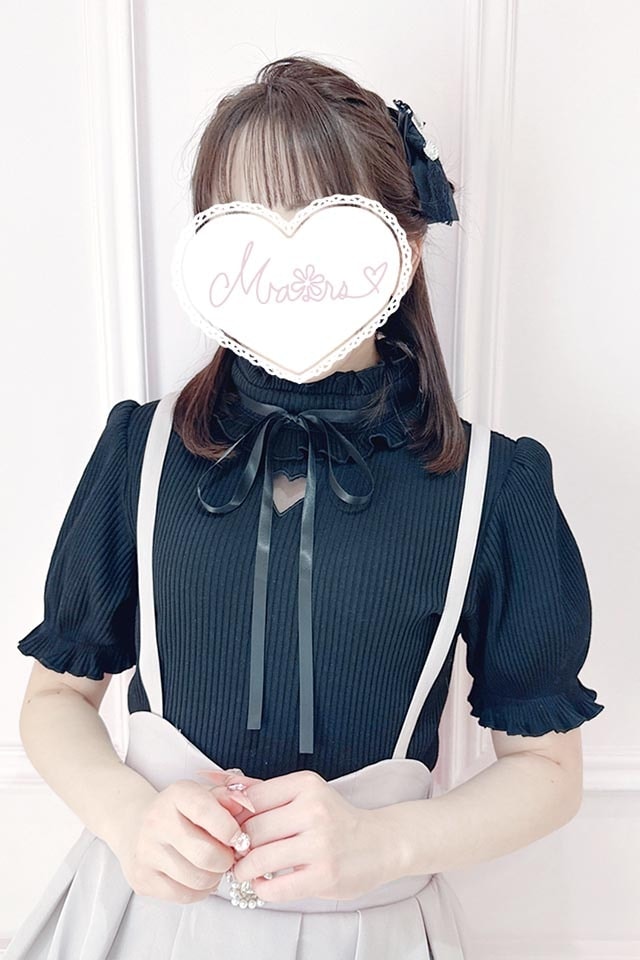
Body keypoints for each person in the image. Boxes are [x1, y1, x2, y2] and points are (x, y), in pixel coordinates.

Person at [7, 55, 604, 958]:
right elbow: (57, 695)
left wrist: (383, 842)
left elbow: (548, 769)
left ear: (403, 246)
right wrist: (129, 818)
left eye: (320, 220)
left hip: (370, 932)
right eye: (245, 223)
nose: (282, 260)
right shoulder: (141, 449)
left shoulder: (494, 482)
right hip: (139, 921)